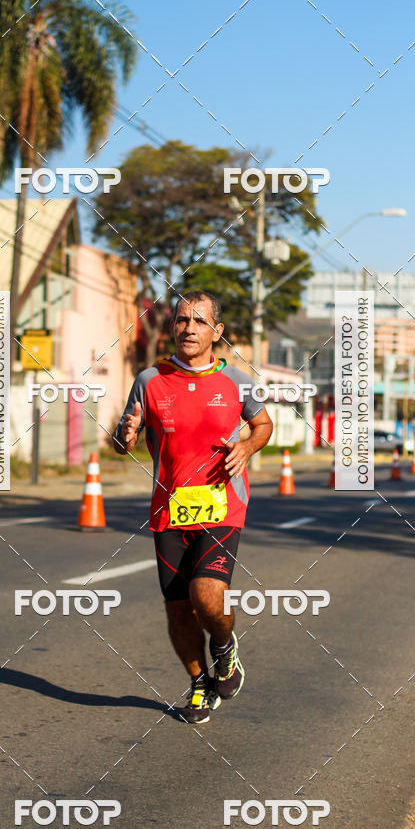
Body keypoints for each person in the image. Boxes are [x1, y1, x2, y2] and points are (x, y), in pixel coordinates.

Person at [114, 290, 273, 724]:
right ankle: (200, 683)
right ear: (172, 327)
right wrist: (122, 437)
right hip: (169, 509)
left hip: (223, 505)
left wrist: (247, 446)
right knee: (178, 610)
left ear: (216, 331)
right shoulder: (150, 380)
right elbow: (123, 436)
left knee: (207, 598)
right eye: (182, 320)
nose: (189, 328)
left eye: (199, 321)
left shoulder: (237, 382)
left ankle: (224, 649)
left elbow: (263, 425)